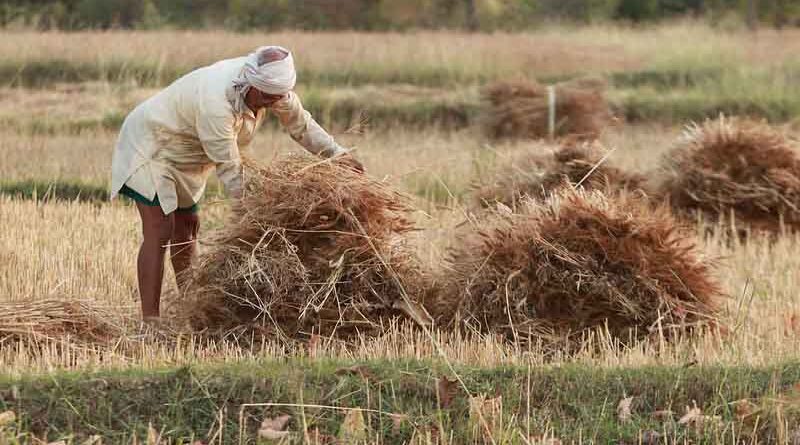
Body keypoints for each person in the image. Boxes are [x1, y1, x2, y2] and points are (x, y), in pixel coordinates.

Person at [110, 46, 363, 321]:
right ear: (251, 84)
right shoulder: (217, 103)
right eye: (265, 98)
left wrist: (338, 155)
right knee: (160, 230)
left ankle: (190, 308)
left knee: (187, 228)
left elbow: (301, 125)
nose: (269, 104)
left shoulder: (272, 87)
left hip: (190, 152)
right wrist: (259, 216)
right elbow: (231, 170)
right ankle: (151, 320)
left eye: (276, 98)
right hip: (153, 144)